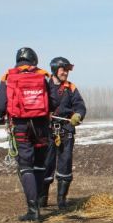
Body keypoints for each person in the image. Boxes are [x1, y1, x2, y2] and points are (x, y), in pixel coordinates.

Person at [0, 47, 54, 222]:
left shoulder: (9, 76)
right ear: (34, 60)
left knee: (26, 165)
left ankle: (33, 210)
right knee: (40, 164)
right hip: (41, 126)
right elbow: (52, 101)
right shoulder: (42, 75)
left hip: (20, 126)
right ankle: (40, 199)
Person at [40, 57, 86, 209]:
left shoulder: (71, 88)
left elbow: (80, 106)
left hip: (66, 130)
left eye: (67, 70)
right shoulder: (43, 86)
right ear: (54, 69)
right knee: (46, 163)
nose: (65, 73)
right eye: (63, 69)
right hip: (47, 130)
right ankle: (42, 199)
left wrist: (78, 115)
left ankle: (61, 201)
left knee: (65, 163)